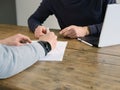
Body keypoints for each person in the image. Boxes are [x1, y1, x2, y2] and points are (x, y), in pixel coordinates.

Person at [28, 0, 116, 39]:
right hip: (69, 50)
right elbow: (33, 19)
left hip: (101, 47)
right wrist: (37, 27)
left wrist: (86, 30)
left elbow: (115, 24)